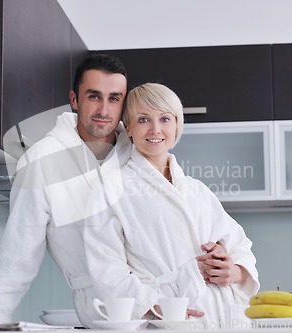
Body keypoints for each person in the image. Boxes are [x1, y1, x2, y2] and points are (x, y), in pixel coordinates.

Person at [0, 54, 132, 328]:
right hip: (102, 310)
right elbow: (20, 247)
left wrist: (219, 255)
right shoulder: (41, 161)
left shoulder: (138, 152)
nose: (104, 109)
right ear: (74, 99)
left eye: (114, 98)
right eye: (94, 96)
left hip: (170, 303)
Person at [83, 83, 260, 329]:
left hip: (222, 315)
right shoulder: (110, 189)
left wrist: (235, 271)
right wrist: (152, 306)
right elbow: (105, 266)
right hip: (168, 316)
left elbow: (239, 244)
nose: (156, 129)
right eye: (143, 119)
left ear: (177, 125)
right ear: (129, 128)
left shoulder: (197, 189)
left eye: (165, 118)